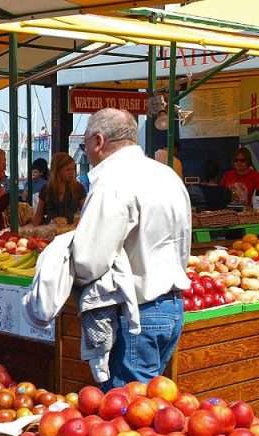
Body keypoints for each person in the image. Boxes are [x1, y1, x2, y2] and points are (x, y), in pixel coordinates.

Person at [70, 108, 191, 388]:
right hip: (171, 308)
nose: (86, 151)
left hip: (136, 314)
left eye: (85, 143)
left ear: (98, 141)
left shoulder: (113, 181)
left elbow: (88, 260)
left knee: (126, 419)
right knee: (147, 411)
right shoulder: (167, 176)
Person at [32, 153, 84, 226]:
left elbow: (86, 213)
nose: (72, 172)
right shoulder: (46, 189)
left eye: (73, 169)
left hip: (71, 232)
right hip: (50, 231)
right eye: (68, 170)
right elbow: (38, 216)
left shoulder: (78, 188)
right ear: (57, 171)